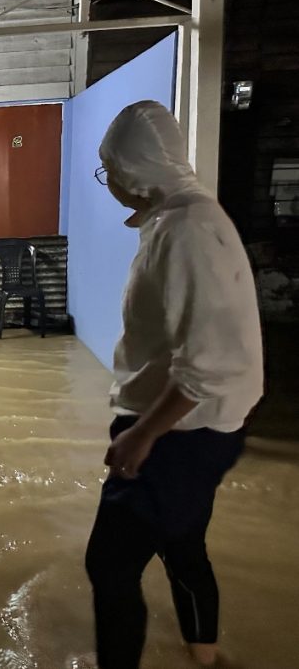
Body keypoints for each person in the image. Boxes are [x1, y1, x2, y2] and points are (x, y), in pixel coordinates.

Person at [84, 101, 264, 669]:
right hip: (199, 429)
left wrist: (142, 436)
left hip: (177, 434)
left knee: (108, 565)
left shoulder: (187, 230)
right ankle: (205, 655)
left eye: (110, 170)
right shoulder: (183, 219)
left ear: (136, 172)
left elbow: (206, 362)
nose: (109, 182)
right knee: (182, 544)